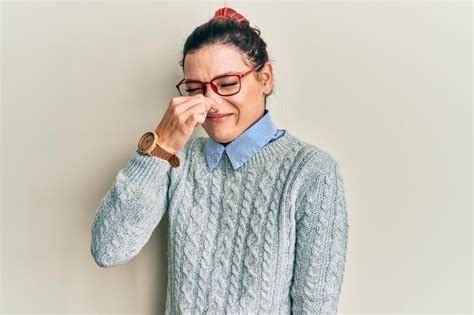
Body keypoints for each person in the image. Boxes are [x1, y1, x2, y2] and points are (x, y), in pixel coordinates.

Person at [90, 6, 349, 315]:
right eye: (195, 88)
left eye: (227, 84)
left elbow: (316, 307)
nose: (210, 102)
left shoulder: (311, 171)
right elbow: (108, 249)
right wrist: (161, 146)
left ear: (265, 78)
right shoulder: (177, 161)